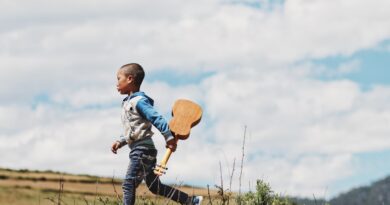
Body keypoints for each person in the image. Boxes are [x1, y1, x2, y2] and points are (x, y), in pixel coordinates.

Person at [111, 63, 203, 205]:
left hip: (141, 151)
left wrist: (169, 137)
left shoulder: (139, 102)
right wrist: (121, 141)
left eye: (118, 78)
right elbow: (134, 129)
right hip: (144, 150)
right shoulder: (128, 102)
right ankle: (191, 201)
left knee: (128, 184)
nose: (116, 83)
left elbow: (156, 118)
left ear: (129, 79)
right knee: (155, 186)